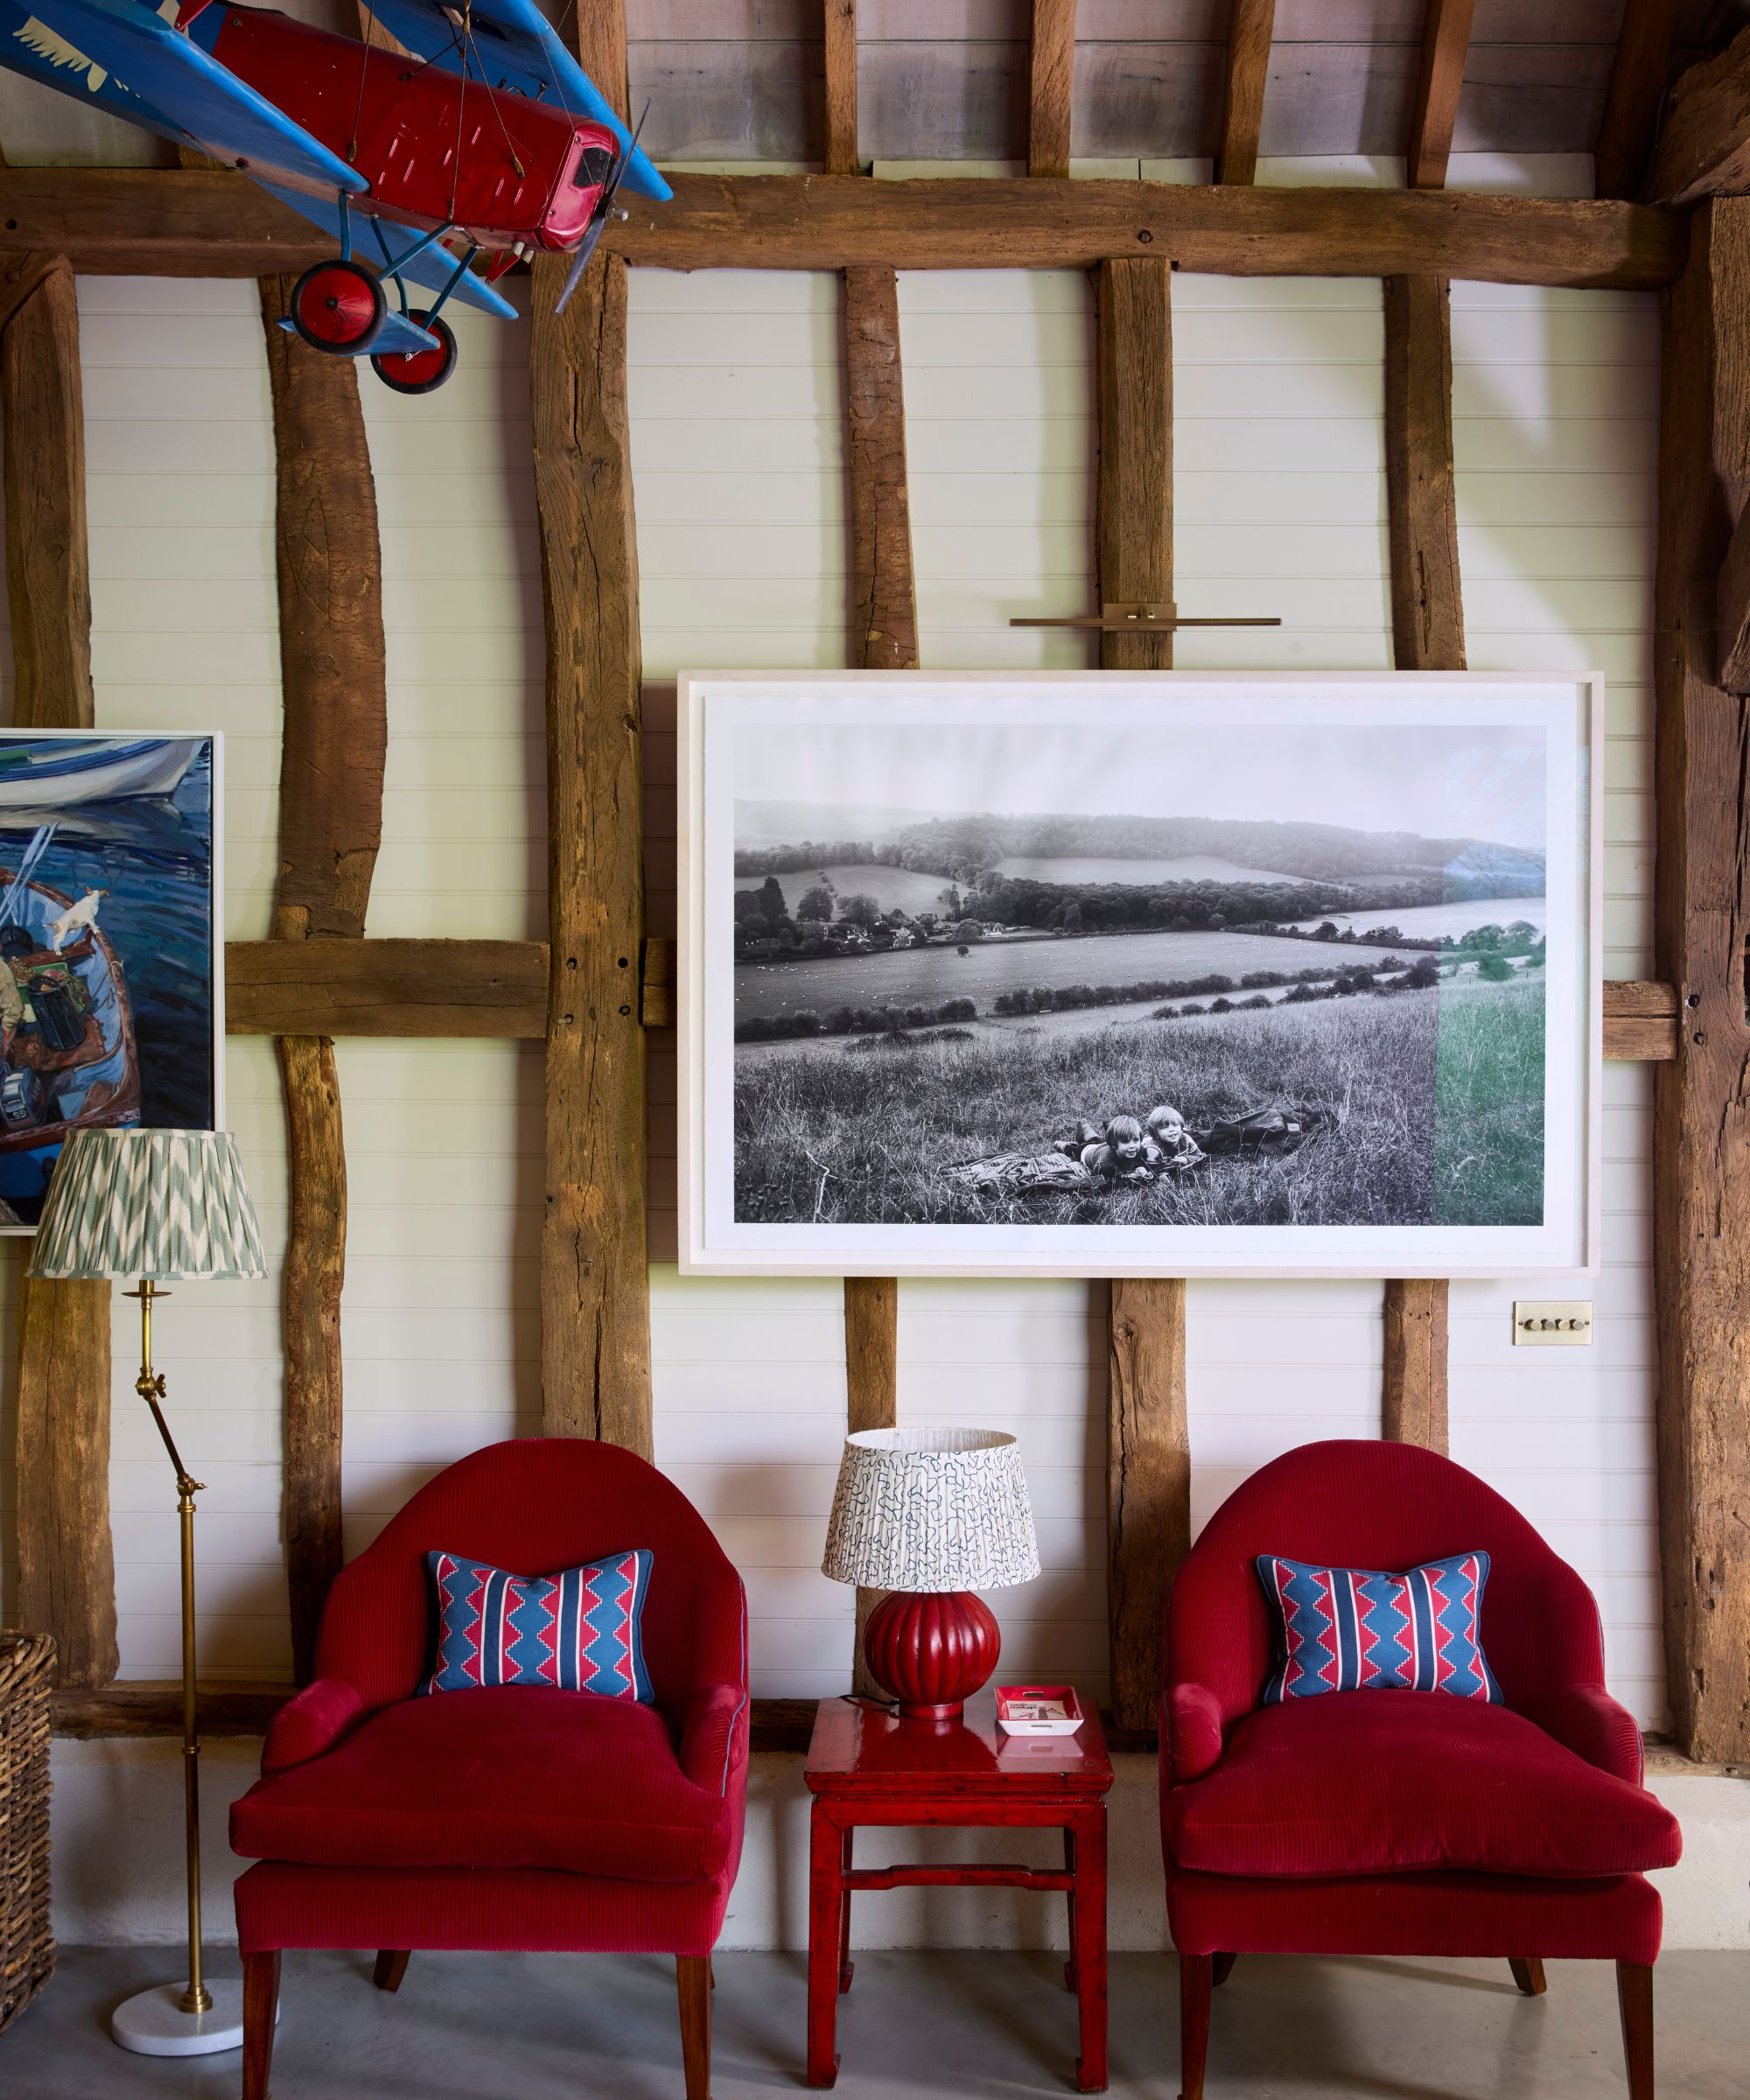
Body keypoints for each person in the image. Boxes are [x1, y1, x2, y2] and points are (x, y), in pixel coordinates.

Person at [1081, 1115, 1152, 1183]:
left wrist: (1142, 1168)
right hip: (1089, 1152)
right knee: (1092, 1140)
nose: (1132, 1146)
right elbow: (1101, 1179)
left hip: (1107, 1147)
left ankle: (1111, 1126)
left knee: (1112, 1137)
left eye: (1136, 1140)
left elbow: (1147, 1162)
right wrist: (1127, 1177)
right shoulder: (1106, 1164)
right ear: (1114, 1144)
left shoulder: (1139, 1150)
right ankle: (1083, 1125)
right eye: (1126, 1141)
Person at [1145, 1103, 1205, 1173]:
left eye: (1175, 1125)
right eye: (1165, 1127)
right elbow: (1149, 1170)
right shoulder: (1153, 1149)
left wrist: (1185, 1160)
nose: (1171, 1129)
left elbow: (1200, 1157)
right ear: (1156, 1133)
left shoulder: (1186, 1139)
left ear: (1181, 1127)